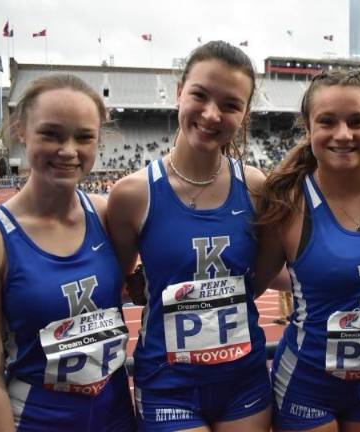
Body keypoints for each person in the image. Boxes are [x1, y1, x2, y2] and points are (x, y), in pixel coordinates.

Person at [107, 40, 271, 432]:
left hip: (244, 380)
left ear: (245, 114)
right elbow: (114, 287)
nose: (212, 114)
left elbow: (258, 278)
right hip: (168, 384)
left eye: (231, 105)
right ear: (180, 92)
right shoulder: (133, 194)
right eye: (200, 95)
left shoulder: (256, 188)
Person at [0, 74, 136, 432]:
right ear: (22, 131)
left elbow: (127, 289)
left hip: (118, 416)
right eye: (51, 134)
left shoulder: (107, 215)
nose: (68, 150)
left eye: (84, 137)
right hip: (39, 421)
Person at [254, 70, 360, 432]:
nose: (343, 134)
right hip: (307, 384)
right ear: (308, 129)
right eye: (327, 121)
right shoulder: (288, 203)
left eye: (357, 121)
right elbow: (253, 281)